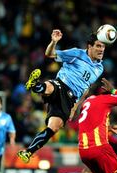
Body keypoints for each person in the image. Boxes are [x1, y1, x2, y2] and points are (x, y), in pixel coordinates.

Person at [17, 29, 107, 163]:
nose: (101, 49)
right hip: (62, 84)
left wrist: (75, 107)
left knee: (53, 127)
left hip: (70, 100)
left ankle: (28, 152)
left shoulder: (100, 68)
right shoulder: (77, 53)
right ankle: (35, 86)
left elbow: (86, 88)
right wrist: (54, 42)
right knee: (51, 87)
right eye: (98, 46)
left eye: (103, 47)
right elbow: (50, 54)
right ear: (90, 46)